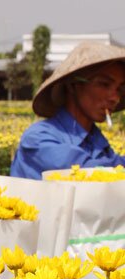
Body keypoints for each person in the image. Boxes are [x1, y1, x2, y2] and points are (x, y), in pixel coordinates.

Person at [10, 41, 125, 180]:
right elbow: (87, 173)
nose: (115, 97)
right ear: (73, 85)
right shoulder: (38, 138)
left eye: (119, 89)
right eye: (104, 84)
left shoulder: (96, 140)